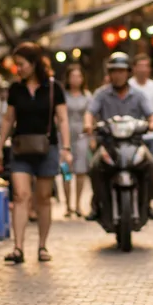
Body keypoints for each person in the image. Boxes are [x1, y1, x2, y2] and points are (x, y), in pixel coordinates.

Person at [0, 42, 72, 264]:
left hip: (48, 148)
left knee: (44, 198)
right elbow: (9, 118)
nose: (18, 69)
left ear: (34, 64)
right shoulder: (15, 89)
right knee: (20, 195)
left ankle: (42, 246)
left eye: (21, 64)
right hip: (20, 148)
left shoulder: (55, 88)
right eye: (16, 65)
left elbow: (63, 119)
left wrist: (66, 148)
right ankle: (18, 248)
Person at [83, 52, 153, 222]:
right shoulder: (101, 94)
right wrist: (88, 124)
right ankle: (97, 203)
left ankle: (147, 203)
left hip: (134, 145)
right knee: (95, 167)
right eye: (114, 71)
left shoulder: (139, 95)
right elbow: (90, 112)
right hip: (108, 145)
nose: (118, 75)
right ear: (109, 73)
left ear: (128, 73)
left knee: (151, 164)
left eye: (122, 71)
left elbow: (151, 115)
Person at [129, 53, 153, 219]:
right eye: (141, 65)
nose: (144, 69)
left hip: (150, 136)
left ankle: (149, 203)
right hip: (130, 136)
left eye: (147, 65)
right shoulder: (128, 85)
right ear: (134, 68)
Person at [63, 64, 92, 218]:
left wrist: (91, 135)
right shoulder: (63, 95)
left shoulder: (87, 95)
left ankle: (79, 204)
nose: (76, 79)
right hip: (66, 136)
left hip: (82, 136)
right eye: (72, 76)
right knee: (66, 171)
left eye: (78, 76)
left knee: (80, 171)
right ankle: (68, 205)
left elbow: (90, 115)